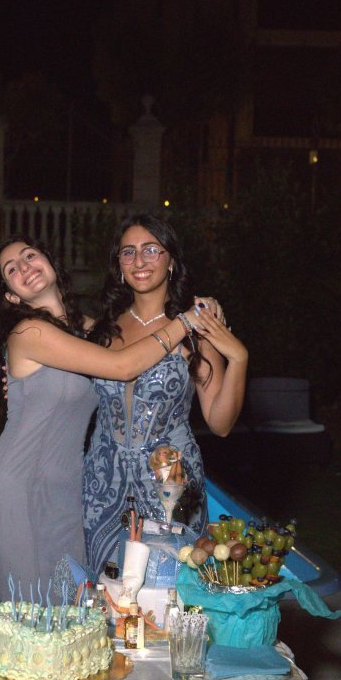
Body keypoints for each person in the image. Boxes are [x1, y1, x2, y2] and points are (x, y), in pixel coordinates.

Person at [0, 234, 210, 603]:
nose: (24, 267)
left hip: (69, 490)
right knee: (29, 608)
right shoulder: (29, 332)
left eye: (29, 256)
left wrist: (201, 325)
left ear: (50, 263)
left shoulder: (86, 330)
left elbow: (139, 346)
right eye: (12, 269)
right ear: (12, 296)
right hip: (21, 484)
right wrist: (185, 321)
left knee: (73, 606)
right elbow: (122, 366)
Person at [83, 215, 249, 575]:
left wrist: (239, 358)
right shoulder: (100, 329)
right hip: (103, 484)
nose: (139, 261)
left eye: (151, 250)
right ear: (118, 264)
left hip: (170, 483)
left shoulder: (197, 329)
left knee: (168, 590)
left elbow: (220, 423)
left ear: (171, 261)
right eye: (128, 252)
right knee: (107, 589)